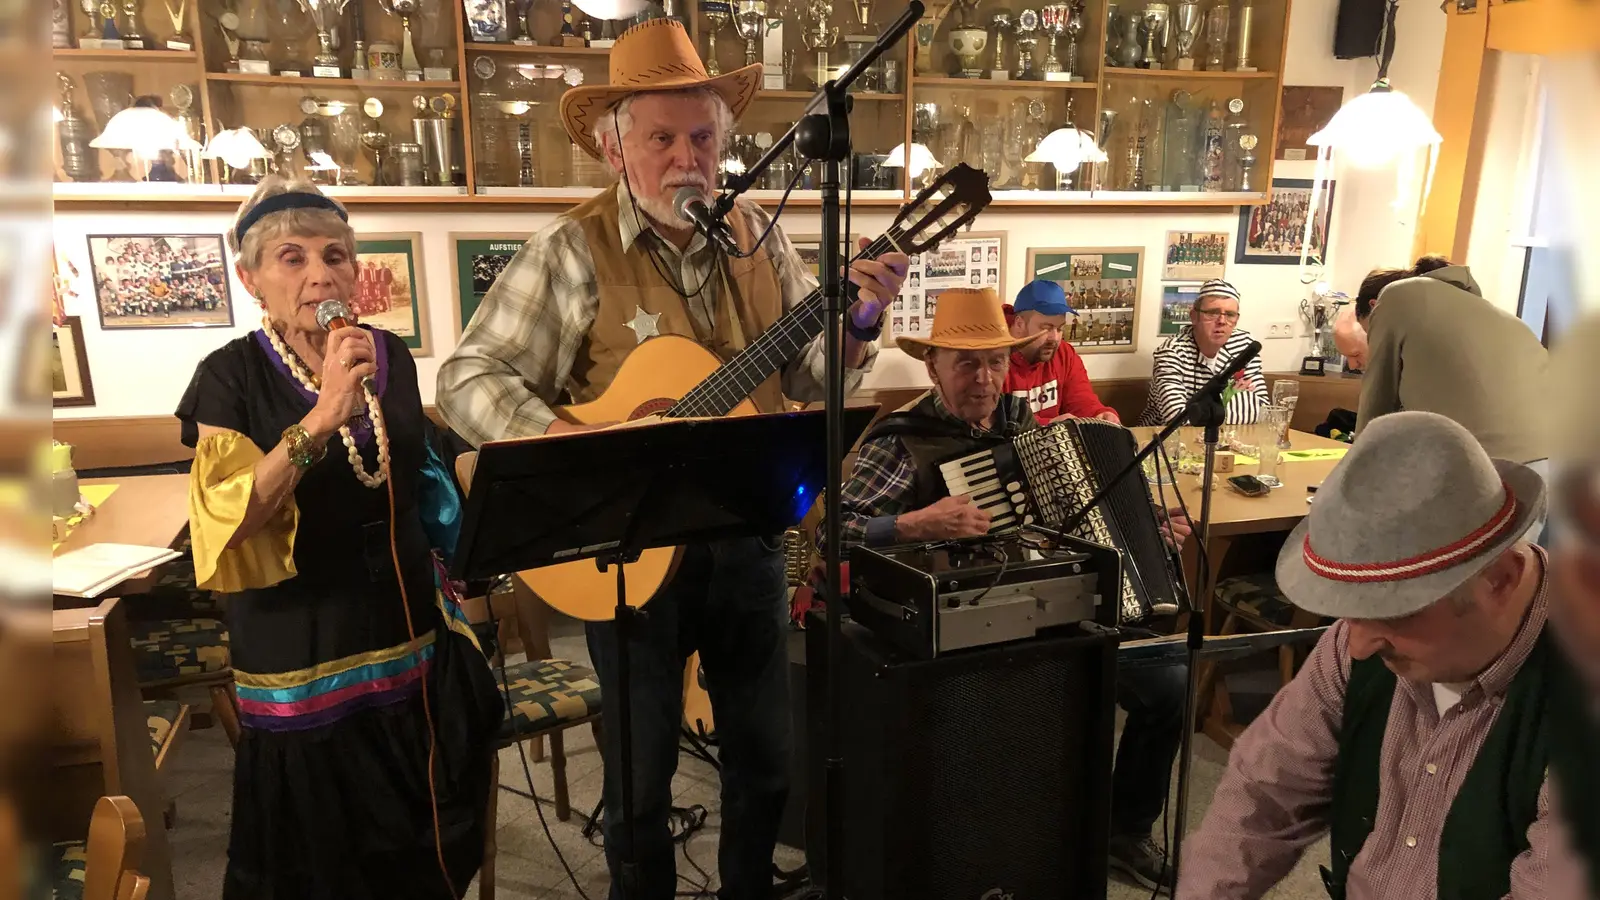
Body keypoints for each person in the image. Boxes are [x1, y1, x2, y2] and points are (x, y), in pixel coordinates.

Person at [433, 20, 908, 900]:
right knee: (642, 789)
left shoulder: (762, 236)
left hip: (749, 539)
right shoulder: (570, 249)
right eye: (661, 139)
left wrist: (862, 321)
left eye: (701, 137)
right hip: (628, 553)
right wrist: (571, 446)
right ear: (617, 152)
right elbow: (466, 377)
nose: (686, 158)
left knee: (766, 765)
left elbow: (815, 368)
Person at [176, 177, 501, 899]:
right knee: (318, 856)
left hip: (407, 635)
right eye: (290, 257)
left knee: (419, 838)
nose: (320, 273)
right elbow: (227, 522)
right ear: (251, 279)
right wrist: (322, 417)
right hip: (301, 654)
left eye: (336, 255)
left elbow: (420, 475)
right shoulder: (227, 379)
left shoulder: (390, 355)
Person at [829, 287, 1191, 892]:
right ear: (933, 366)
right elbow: (834, 533)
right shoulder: (903, 439)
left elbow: (1080, 508)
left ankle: (1124, 830)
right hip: (952, 636)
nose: (985, 378)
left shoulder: (1030, 427)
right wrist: (916, 524)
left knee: (1169, 683)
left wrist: (1152, 531)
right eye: (966, 363)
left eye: (995, 362)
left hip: (1049, 612)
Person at [1178, 411, 1555, 900]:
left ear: (1500, 579)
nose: (1356, 645)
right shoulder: (1357, 643)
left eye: (1394, 613)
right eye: (1349, 612)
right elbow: (1264, 796)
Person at [1347, 254, 1549, 470]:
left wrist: (1353, 473)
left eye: (1370, 332)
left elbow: (1376, 406)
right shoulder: (1505, 320)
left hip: (1485, 472)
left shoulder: (1396, 296)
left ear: (1374, 306)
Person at [1137, 279, 1267, 426]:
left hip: (1229, 441)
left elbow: (1264, 412)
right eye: (1213, 313)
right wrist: (1232, 398)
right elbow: (1178, 419)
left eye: (1230, 314)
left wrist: (1205, 412)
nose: (1222, 321)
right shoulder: (1171, 353)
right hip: (1165, 441)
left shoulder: (1245, 345)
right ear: (1194, 316)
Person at [1002, 279, 1119, 425]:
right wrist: (1048, 426)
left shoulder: (1064, 354)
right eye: (1046, 328)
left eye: (1059, 328)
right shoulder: (992, 358)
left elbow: (1081, 400)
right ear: (1019, 324)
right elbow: (991, 423)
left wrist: (1099, 414)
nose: (1055, 338)